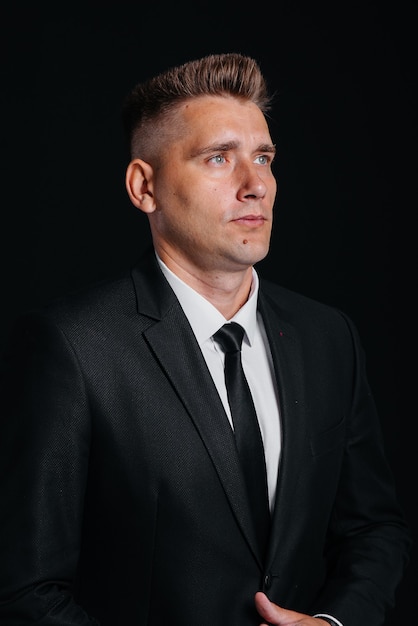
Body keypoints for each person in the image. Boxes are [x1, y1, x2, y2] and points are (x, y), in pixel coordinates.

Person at [0, 53, 411, 626]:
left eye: (263, 157)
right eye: (218, 158)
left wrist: (334, 623)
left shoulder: (328, 337)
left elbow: (372, 529)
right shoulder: (72, 346)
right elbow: (26, 589)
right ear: (145, 187)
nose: (255, 186)